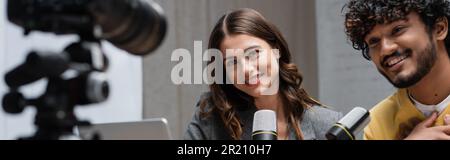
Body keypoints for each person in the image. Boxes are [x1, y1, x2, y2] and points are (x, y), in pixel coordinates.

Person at [184, 8, 342, 140]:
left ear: (276, 50)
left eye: (253, 53)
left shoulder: (329, 124)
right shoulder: (211, 115)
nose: (245, 69)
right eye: (232, 62)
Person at [344, 0, 450, 140]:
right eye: (374, 41)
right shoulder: (377, 123)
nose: (386, 49)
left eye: (397, 30)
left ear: (439, 28)